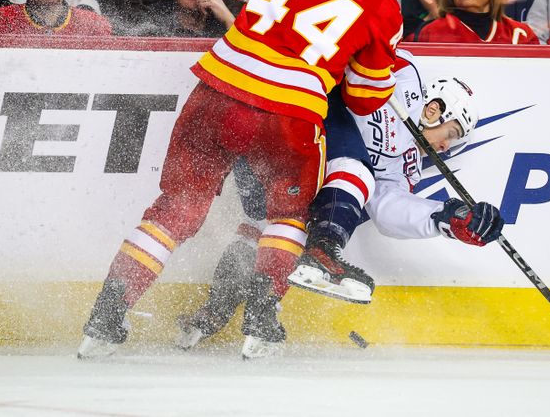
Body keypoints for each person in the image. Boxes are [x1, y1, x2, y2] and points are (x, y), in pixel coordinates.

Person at [77, 0, 403, 361]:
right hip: (288, 113)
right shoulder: (383, 7)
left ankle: (105, 316)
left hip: (218, 86)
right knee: (287, 215)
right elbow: (367, 98)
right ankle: (261, 323)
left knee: (175, 208)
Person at [177, 51, 505, 354]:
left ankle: (223, 311)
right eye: (453, 132)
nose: (448, 147)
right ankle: (321, 251)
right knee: (351, 174)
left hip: (286, 172)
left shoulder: (405, 164)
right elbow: (347, 51)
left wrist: (445, 216)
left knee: (273, 229)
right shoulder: (403, 73)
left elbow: (387, 207)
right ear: (434, 109)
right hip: (283, 123)